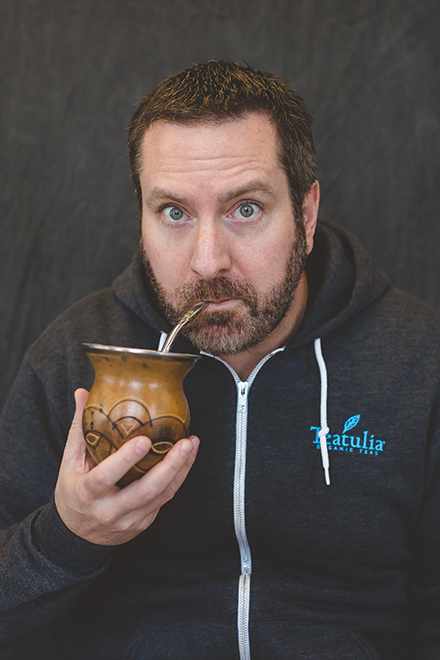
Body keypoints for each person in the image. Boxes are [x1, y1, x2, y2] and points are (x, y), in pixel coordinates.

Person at [0, 60, 439, 660]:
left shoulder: (419, 361)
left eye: (246, 208)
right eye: (174, 213)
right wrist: (68, 536)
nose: (208, 261)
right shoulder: (72, 356)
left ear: (306, 215)